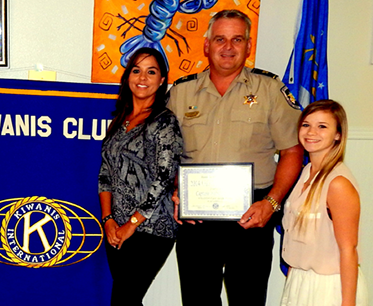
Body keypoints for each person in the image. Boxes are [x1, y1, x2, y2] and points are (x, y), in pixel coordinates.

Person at [167, 9, 304, 305]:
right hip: (197, 219)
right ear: (207, 45)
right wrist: (175, 192)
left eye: (236, 40)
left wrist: (272, 203)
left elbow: (293, 150)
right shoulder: (181, 92)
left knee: (248, 299)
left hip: (252, 215)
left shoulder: (269, 90)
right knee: (197, 300)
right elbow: (167, 155)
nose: (228, 48)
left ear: (248, 46)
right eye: (220, 39)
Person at [98, 47, 183, 306]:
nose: (142, 77)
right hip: (116, 229)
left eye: (151, 71)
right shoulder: (120, 120)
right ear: (127, 77)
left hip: (151, 229)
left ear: (161, 80)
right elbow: (105, 174)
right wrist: (109, 220)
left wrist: (131, 224)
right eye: (136, 70)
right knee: (126, 300)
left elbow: (164, 177)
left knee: (124, 300)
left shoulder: (164, 121)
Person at [281, 100, 368, 306]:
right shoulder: (305, 173)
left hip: (329, 286)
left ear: (338, 134)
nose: (311, 132)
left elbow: (349, 249)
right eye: (306, 125)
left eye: (322, 126)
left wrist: (348, 303)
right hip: (300, 280)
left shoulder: (337, 183)